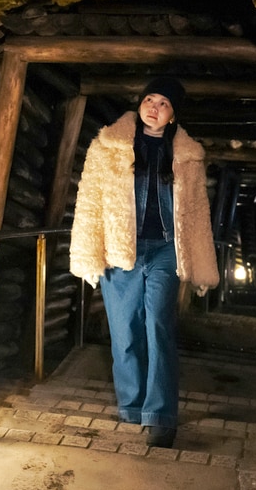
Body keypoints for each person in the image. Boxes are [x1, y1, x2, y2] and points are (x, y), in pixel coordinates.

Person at [69, 77, 220, 448]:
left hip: (166, 250)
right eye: (149, 99)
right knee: (124, 332)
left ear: (173, 115)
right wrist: (89, 255)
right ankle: (132, 405)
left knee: (160, 327)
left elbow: (198, 214)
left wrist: (201, 265)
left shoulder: (188, 155)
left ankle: (161, 417)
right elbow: (89, 203)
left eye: (163, 103)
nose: (153, 107)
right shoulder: (108, 146)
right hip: (122, 249)